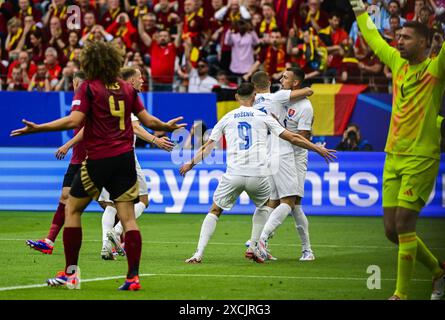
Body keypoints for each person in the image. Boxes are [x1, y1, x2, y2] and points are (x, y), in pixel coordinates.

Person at [11, 41, 186, 291]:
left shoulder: (89, 88)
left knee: (71, 209)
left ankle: (71, 273)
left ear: (90, 62)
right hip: (125, 160)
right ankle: (133, 277)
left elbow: (74, 120)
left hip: (98, 160)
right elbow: (147, 119)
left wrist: (39, 128)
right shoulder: (127, 89)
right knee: (128, 219)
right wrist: (166, 127)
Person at [351, 0, 445, 300]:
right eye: (399, 37)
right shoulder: (397, 64)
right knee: (392, 231)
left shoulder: (436, 69)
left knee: (405, 223)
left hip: (421, 157)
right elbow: (373, 38)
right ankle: (438, 271)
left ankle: (400, 294)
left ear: (424, 42)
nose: (399, 41)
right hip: (393, 156)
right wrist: (357, 7)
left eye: (406, 38)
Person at [181, 82, 336, 264]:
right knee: (266, 207)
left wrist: (190, 164)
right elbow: (293, 137)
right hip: (258, 175)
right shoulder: (263, 117)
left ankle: (198, 253)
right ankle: (254, 246)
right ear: (254, 97)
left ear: (236, 97)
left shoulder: (227, 117)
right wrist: (316, 148)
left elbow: (207, 147)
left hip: (234, 175)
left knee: (215, 210)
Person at [99, 66, 174, 260]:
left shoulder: (108, 97)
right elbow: (135, 127)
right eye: (140, 78)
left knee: (111, 204)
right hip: (124, 156)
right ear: (131, 81)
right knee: (143, 200)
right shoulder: (126, 98)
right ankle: (115, 233)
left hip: (103, 155)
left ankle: (106, 247)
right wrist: (156, 140)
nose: (142, 81)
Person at [252, 68, 316, 263]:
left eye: (285, 77)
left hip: (296, 156)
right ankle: (262, 241)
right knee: (287, 202)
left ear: (295, 83)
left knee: (290, 203)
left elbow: (303, 138)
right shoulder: (279, 98)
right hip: (279, 152)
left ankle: (304, 249)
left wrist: (281, 128)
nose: (281, 78)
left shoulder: (305, 107)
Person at [25, 71, 87, 255]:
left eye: (77, 84)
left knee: (108, 204)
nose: (76, 88)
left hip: (93, 159)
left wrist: (66, 145)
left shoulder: (87, 103)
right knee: (65, 197)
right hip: (77, 159)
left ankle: (121, 239)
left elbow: (86, 129)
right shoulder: (78, 103)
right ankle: (49, 241)